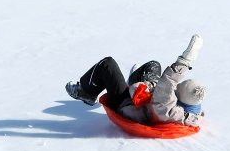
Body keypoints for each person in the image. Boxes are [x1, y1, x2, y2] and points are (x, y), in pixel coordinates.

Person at [65, 34, 206, 127]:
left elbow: (169, 81)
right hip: (146, 103)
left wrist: (185, 60)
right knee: (154, 65)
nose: (176, 86)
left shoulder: (167, 104)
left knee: (107, 64)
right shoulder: (187, 112)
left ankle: (86, 92)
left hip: (125, 104)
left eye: (178, 86)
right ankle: (134, 81)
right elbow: (170, 88)